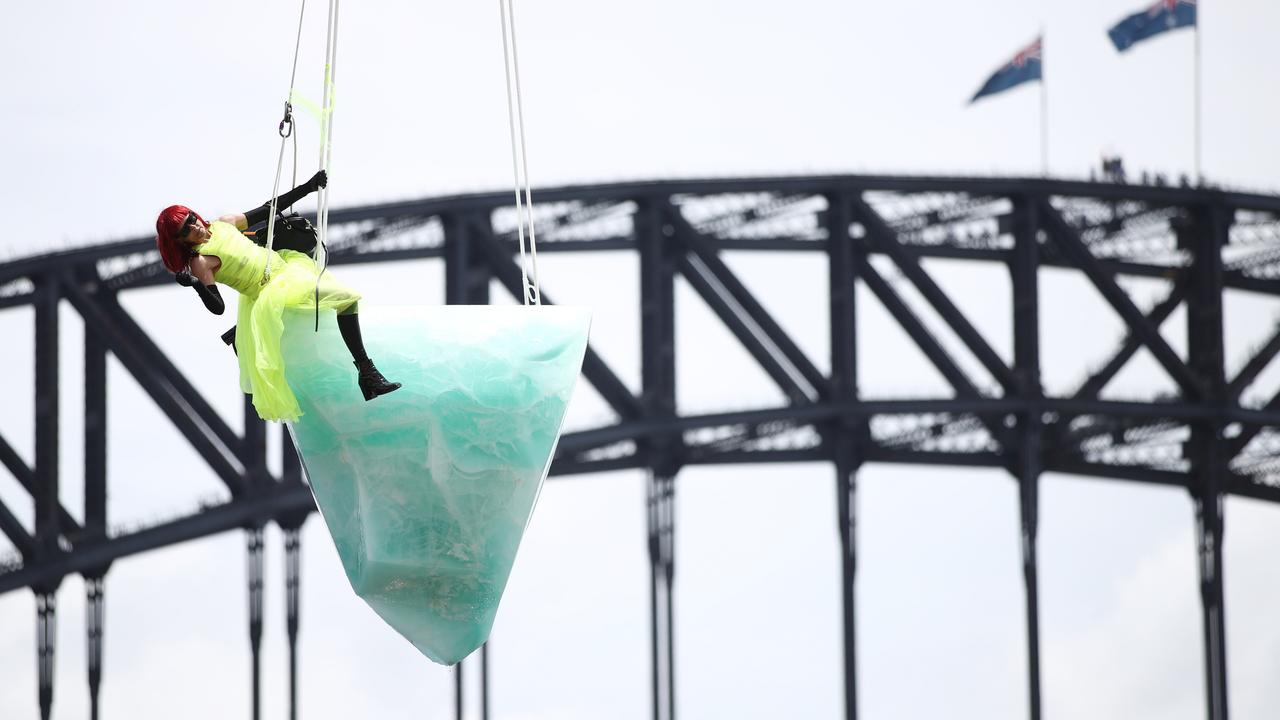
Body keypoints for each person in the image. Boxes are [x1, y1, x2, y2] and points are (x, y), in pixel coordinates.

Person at [154, 171, 401, 422]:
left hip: (288, 266)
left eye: (192, 218)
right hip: (268, 290)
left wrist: (308, 187)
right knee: (345, 298)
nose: (194, 226)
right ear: (179, 241)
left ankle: (367, 375)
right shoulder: (200, 260)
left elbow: (268, 210)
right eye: (186, 229)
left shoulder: (224, 224)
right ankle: (367, 373)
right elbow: (218, 307)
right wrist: (197, 285)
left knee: (347, 300)